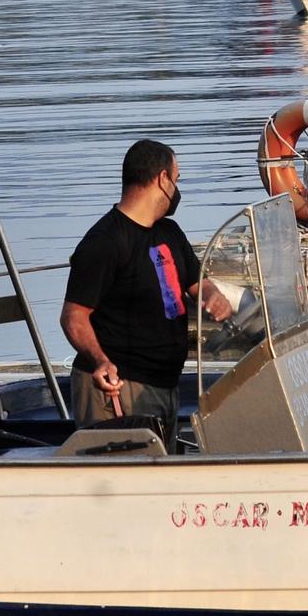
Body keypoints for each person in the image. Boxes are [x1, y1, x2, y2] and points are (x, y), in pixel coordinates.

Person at [61, 140, 232, 448]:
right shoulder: (105, 242)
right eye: (176, 180)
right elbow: (74, 317)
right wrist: (100, 360)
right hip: (118, 387)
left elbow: (198, 284)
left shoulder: (170, 233)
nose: (177, 189)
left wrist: (213, 294)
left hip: (164, 385)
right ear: (162, 179)